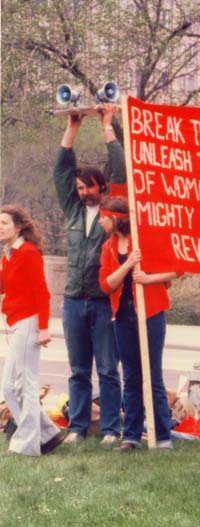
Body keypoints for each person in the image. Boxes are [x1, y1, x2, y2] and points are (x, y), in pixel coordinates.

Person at [54, 104, 123, 445]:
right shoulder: (72, 211)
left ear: (102, 186)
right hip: (72, 302)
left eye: (89, 187)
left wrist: (108, 124)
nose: (83, 192)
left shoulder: (114, 210)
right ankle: (78, 427)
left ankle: (110, 428)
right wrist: (73, 127)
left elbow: (123, 166)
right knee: (79, 370)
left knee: (108, 370)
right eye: (80, 188)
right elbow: (61, 171)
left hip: (102, 302)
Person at [98, 196, 180, 451]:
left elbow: (178, 269)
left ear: (116, 218)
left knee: (153, 376)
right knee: (131, 377)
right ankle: (131, 436)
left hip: (150, 314)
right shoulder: (109, 247)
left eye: (103, 217)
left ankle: (162, 435)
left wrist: (148, 278)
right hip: (122, 317)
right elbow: (106, 284)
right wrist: (129, 265)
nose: (100, 221)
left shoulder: (146, 239)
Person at [0, 205, 63, 456]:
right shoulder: (9, 253)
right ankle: (47, 435)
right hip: (17, 321)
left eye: (4, 223)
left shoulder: (28, 252)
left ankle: (27, 445)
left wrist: (44, 328)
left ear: (18, 227)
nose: (0, 227)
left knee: (22, 384)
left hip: (29, 322)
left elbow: (42, 291)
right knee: (10, 386)